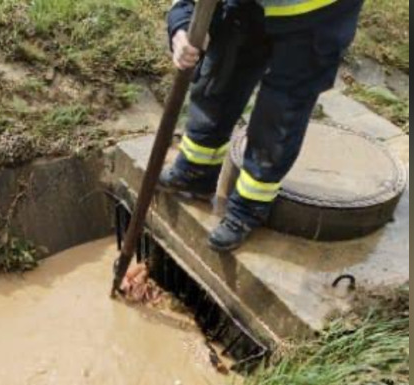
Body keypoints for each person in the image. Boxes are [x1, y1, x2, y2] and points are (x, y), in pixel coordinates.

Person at [126, 0, 363, 297]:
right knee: (221, 72)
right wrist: (183, 25)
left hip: (315, 12)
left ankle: (248, 208)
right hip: (247, 5)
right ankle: (197, 170)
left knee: (280, 112)